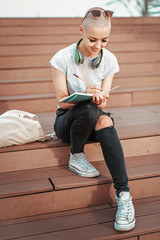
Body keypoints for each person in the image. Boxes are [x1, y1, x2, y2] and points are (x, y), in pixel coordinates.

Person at [50, 7, 135, 232]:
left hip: (92, 115)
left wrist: (98, 95)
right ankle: (76, 155)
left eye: (104, 40)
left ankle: (124, 195)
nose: (98, 46)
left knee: (105, 120)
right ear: (81, 30)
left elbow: (103, 104)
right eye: (92, 39)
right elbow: (61, 101)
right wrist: (85, 96)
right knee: (87, 108)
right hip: (66, 122)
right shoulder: (62, 57)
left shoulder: (110, 60)